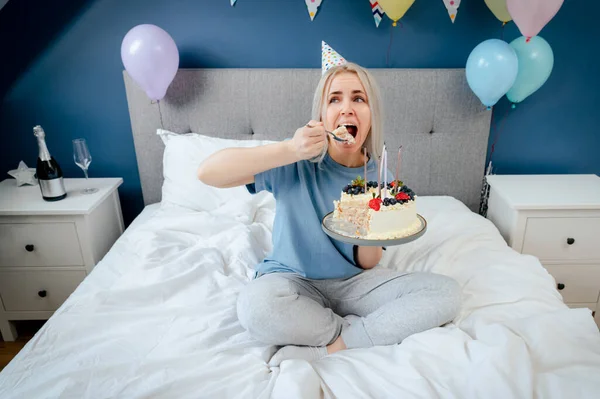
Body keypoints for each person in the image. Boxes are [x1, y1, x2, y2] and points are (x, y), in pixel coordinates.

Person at [197, 45, 461, 367]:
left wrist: (370, 221)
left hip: (354, 285)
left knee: (446, 293)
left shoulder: (380, 176)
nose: (346, 108)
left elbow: (367, 263)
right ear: (322, 115)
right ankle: (349, 331)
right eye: (334, 99)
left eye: (358, 99)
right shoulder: (295, 161)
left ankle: (337, 346)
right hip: (291, 279)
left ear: (371, 115)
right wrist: (290, 149)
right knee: (256, 308)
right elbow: (208, 172)